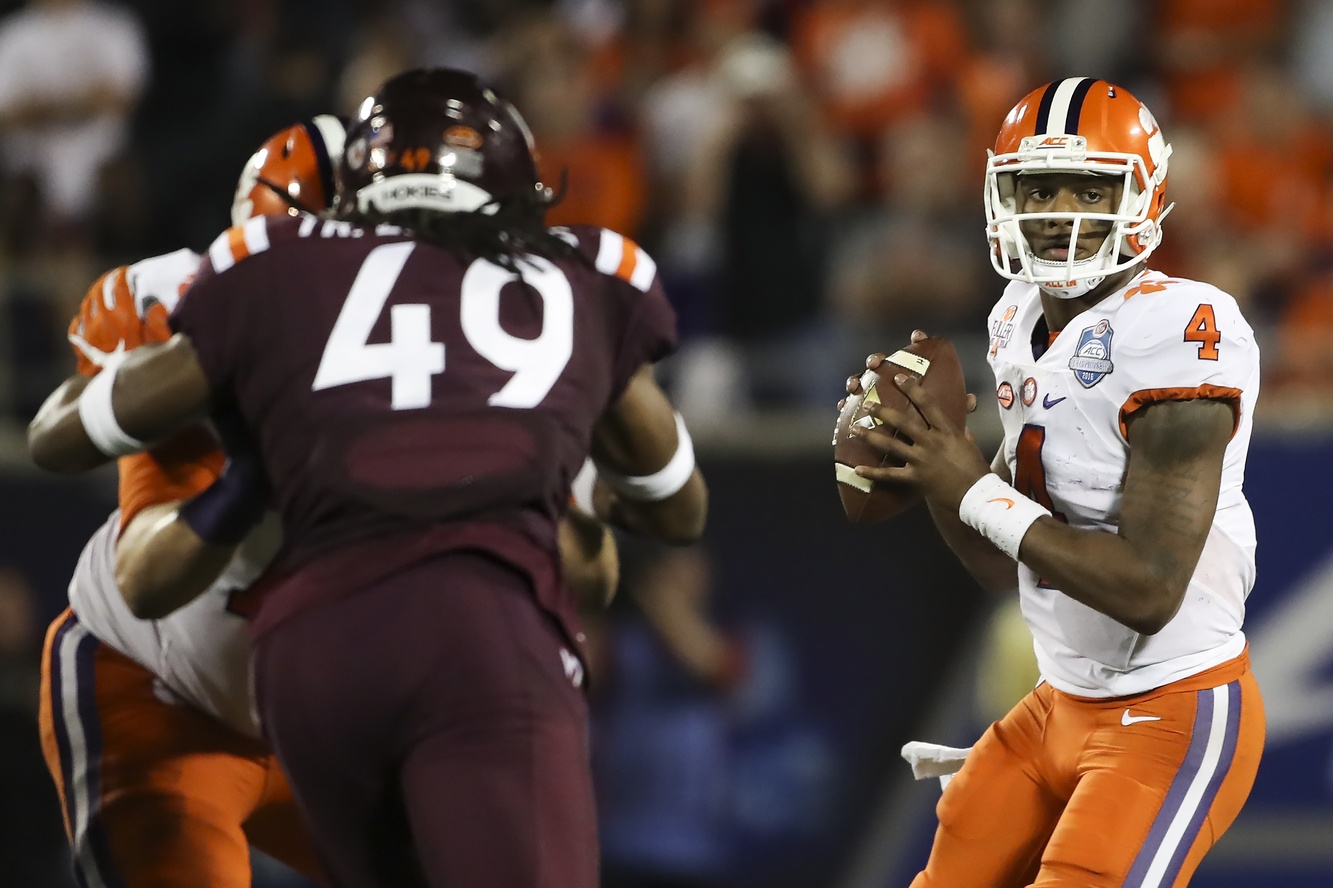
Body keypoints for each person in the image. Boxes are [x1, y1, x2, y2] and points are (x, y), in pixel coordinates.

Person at [28, 66, 708, 888]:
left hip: (325, 687)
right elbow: (130, 556)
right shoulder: (179, 304)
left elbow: (592, 573)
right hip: (160, 684)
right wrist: (245, 474)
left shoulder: (473, 335)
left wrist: (539, 502)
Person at [843, 77, 1264, 886]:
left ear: (1142, 194)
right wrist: (931, 459)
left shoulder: (1182, 327)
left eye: (1090, 185)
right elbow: (1003, 563)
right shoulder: (1014, 319)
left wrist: (967, 485)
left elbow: (1145, 588)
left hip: (1170, 704)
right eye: (1039, 187)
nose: (1061, 209)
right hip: (1056, 702)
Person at [29, 116, 347, 888]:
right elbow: (54, 437)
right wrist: (183, 380)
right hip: (153, 681)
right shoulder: (177, 301)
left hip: (331, 723)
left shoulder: (446, 348)